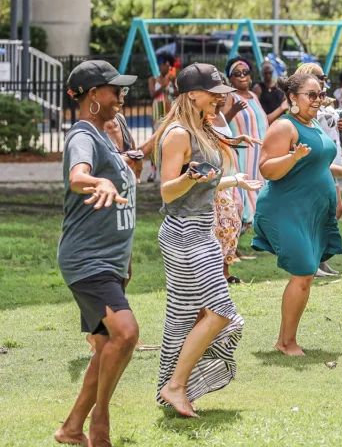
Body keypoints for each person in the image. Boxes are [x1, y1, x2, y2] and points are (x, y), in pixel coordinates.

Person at [154, 63, 262, 418]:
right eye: (214, 93)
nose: (221, 99)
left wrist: (234, 182)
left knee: (189, 316)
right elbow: (169, 192)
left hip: (202, 231)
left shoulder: (200, 129)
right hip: (184, 233)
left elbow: (206, 180)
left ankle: (179, 387)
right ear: (192, 94)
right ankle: (175, 386)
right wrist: (191, 176)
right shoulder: (177, 134)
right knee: (220, 313)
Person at [252, 73, 342, 356]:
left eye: (321, 95)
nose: (318, 100)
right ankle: (286, 343)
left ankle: (285, 339)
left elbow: (317, 163)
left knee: (305, 275)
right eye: (311, 95)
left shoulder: (313, 123)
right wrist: (292, 157)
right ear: (293, 98)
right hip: (286, 209)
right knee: (304, 271)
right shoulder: (284, 126)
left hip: (312, 210)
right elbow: (266, 168)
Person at [55, 61, 139, 447]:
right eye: (114, 89)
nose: (121, 95)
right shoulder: (81, 136)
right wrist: (99, 179)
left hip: (110, 259)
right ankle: (99, 422)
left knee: (106, 345)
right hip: (87, 260)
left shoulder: (105, 135)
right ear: (93, 96)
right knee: (125, 333)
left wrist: (126, 257)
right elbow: (77, 177)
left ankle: (71, 429)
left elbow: (122, 204)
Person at [297, 62, 342, 276]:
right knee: (318, 214)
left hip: (333, 164)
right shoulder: (305, 104)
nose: (324, 81)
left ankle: (319, 259)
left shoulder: (326, 104)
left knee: (336, 210)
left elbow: (335, 133)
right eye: (320, 77)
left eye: (324, 77)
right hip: (316, 165)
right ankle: (311, 262)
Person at [221, 58, 275, 226]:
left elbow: (263, 120)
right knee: (242, 193)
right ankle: (236, 232)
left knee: (260, 189)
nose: (242, 76)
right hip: (241, 153)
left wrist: (282, 108)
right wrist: (234, 110)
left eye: (245, 72)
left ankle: (257, 228)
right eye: (237, 73)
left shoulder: (253, 95)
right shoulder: (230, 96)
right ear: (231, 78)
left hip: (258, 152)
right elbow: (220, 122)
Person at [210, 109, 245, 284]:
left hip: (227, 175)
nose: (221, 97)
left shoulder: (219, 114)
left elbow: (219, 139)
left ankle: (224, 271)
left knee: (232, 223)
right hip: (212, 178)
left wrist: (233, 142)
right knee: (222, 224)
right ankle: (218, 274)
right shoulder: (199, 116)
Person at [147, 54, 177, 182]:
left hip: (169, 112)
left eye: (169, 66)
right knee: (155, 142)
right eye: (165, 65)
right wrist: (164, 83)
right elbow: (153, 94)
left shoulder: (171, 80)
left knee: (171, 141)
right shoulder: (153, 80)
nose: (166, 68)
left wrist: (174, 83)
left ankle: (170, 170)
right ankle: (153, 171)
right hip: (158, 111)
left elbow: (177, 94)